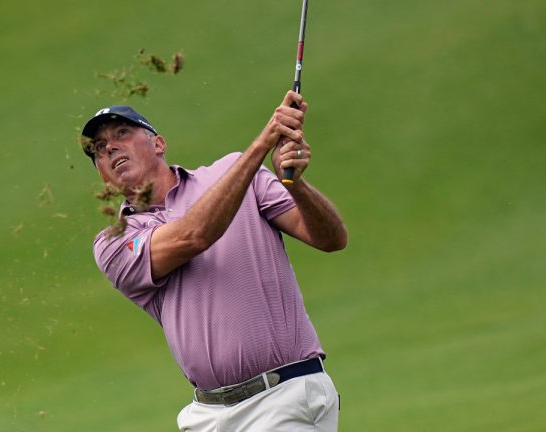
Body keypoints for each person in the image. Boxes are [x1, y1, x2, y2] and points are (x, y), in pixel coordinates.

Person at [80, 91, 347, 432]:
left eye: (121, 134)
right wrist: (261, 146)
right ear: (103, 176)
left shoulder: (234, 174)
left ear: (159, 144)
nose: (110, 148)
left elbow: (331, 239)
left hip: (285, 394)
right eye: (99, 149)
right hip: (207, 416)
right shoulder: (114, 242)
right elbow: (194, 236)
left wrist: (295, 185)